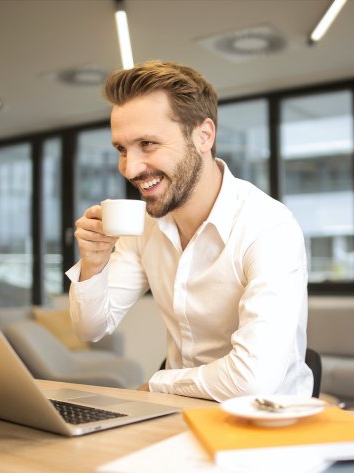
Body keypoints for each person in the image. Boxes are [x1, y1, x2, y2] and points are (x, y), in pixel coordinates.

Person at [66, 60, 312, 401]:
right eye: (122, 149)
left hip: (265, 422)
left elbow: (252, 380)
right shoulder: (146, 227)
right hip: (178, 415)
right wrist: (94, 263)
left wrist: (157, 383)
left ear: (203, 135)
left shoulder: (269, 227)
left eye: (148, 144)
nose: (131, 168)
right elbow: (90, 328)